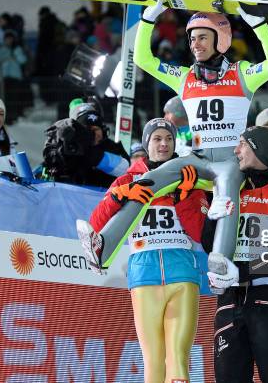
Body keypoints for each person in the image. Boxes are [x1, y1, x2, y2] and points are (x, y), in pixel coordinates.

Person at [83, 0, 268, 285]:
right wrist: (149, 18)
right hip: (198, 159)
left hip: (231, 161)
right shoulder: (185, 77)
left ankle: (221, 267)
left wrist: (258, 25)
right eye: (191, 38)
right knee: (146, 182)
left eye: (202, 37)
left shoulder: (241, 74)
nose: (195, 44)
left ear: (222, 40)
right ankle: (102, 247)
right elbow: (143, 60)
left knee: (227, 192)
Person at [80, 118, 208, 383]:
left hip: (182, 273)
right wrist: (117, 197)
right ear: (147, 142)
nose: (163, 144)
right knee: (153, 363)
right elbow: (95, 227)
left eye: (169, 139)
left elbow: (201, 235)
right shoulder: (127, 179)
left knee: (178, 358)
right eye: (157, 139)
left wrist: (184, 198)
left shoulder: (188, 178)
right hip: (143, 275)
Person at [203, 126, 268, 383]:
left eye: (242, 144)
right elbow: (209, 244)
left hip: (267, 297)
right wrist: (211, 218)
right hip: (230, 298)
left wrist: (242, 271)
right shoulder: (231, 191)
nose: (236, 151)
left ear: (259, 149)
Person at [41, 101, 129, 188]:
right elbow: (51, 172)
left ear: (103, 130)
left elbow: (126, 170)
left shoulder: (112, 147)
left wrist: (93, 155)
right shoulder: (69, 147)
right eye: (88, 129)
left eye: (96, 129)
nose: (94, 134)